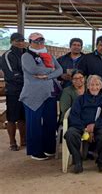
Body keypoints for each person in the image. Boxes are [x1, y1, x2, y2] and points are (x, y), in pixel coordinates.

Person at [20, 32, 63, 160]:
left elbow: (60, 70)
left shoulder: (49, 56)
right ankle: (35, 151)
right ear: (30, 42)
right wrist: (51, 70)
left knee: (50, 122)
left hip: (50, 93)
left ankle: (49, 148)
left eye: (41, 41)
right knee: (34, 123)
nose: (39, 44)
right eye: (36, 41)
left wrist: (48, 76)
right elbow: (33, 69)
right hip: (33, 95)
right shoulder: (26, 56)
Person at [64, 75, 102, 173]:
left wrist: (94, 126)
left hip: (97, 126)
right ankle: (77, 162)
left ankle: (101, 162)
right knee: (70, 134)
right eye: (92, 84)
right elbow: (74, 115)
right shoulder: (80, 99)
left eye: (97, 84)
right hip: (80, 126)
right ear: (88, 86)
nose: (95, 87)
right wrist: (84, 128)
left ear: (101, 86)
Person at [0, 32, 26, 151]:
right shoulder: (7, 55)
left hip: (26, 90)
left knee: (23, 117)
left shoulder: (26, 53)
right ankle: (12, 142)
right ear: (12, 41)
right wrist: (30, 78)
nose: (20, 42)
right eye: (17, 40)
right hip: (13, 91)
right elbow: (11, 74)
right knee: (12, 117)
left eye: (21, 40)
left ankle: (23, 140)